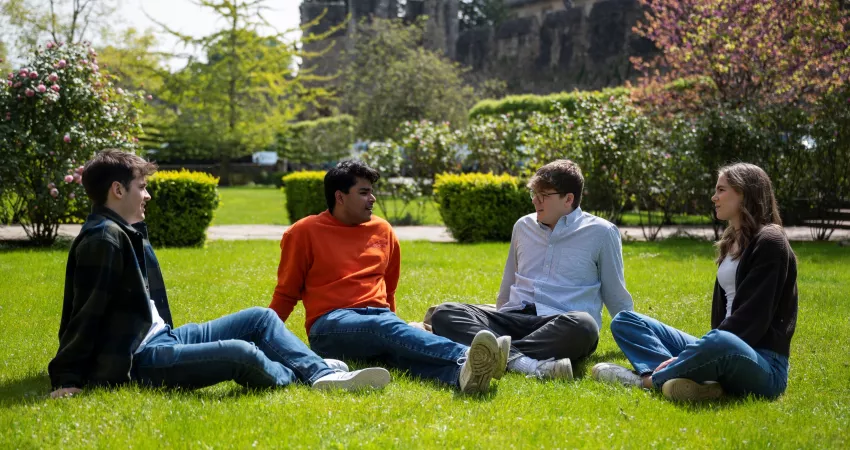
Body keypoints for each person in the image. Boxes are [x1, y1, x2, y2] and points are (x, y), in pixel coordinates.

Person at [48, 150, 390, 399]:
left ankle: (318, 370)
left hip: (161, 338)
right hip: (140, 359)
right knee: (241, 353)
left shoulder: (124, 230)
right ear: (117, 190)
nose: (148, 194)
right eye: (141, 186)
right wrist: (67, 378)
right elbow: (85, 312)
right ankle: (306, 374)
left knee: (259, 318)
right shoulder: (103, 239)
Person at [269, 160, 508, 394]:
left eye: (372, 192)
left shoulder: (382, 230)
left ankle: (462, 377)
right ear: (339, 197)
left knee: (398, 350)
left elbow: (389, 289)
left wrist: (398, 331)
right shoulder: (303, 232)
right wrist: (267, 338)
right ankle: (467, 355)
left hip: (380, 319)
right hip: (330, 327)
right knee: (381, 328)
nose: (372, 199)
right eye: (364, 192)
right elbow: (286, 293)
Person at [593, 163, 797, 402]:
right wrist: (698, 351)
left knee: (720, 341)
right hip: (724, 346)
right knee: (625, 321)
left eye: (721, 190)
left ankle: (646, 381)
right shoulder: (733, 239)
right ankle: (690, 381)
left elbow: (754, 317)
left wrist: (690, 354)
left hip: (763, 364)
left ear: (744, 193)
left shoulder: (771, 241)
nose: (714, 197)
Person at [430, 159, 634, 379]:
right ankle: (521, 362)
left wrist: (638, 340)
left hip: (561, 325)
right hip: (514, 318)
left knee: (585, 326)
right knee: (445, 313)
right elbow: (508, 285)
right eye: (533, 194)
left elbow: (616, 296)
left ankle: (490, 352)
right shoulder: (523, 226)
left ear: (568, 199)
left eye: (543, 195)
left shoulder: (602, 233)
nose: (535, 201)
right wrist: (497, 316)